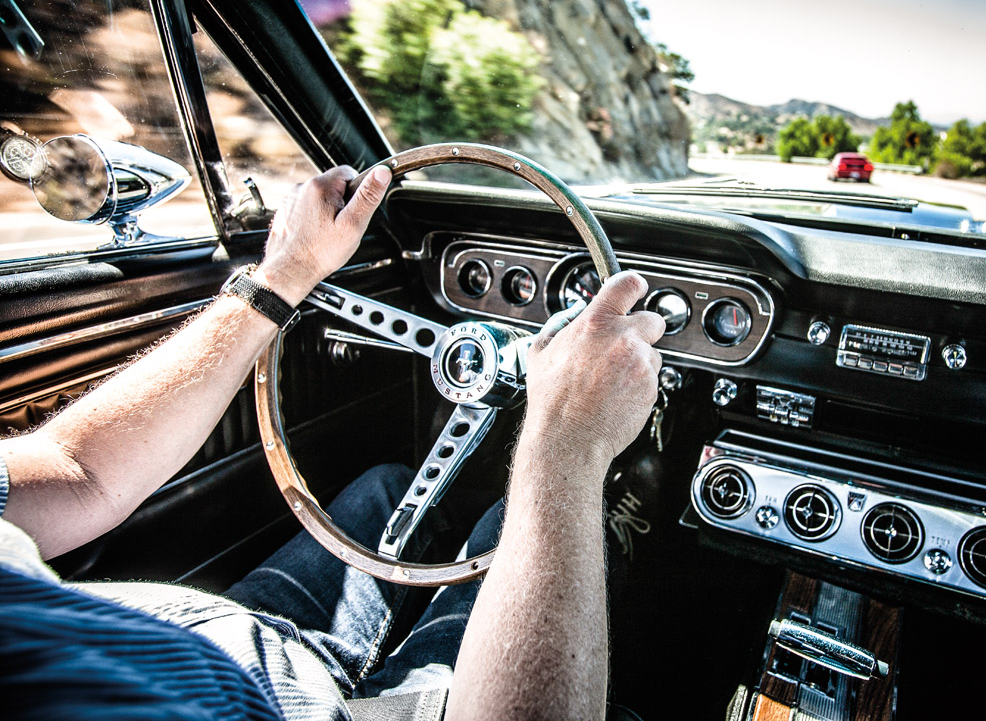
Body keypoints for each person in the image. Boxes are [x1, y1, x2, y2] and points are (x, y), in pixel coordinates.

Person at [0, 164, 667, 720]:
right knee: (511, 528)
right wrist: (569, 445)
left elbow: (74, 470)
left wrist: (284, 274)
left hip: (189, 641)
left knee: (389, 488)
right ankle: (618, 521)